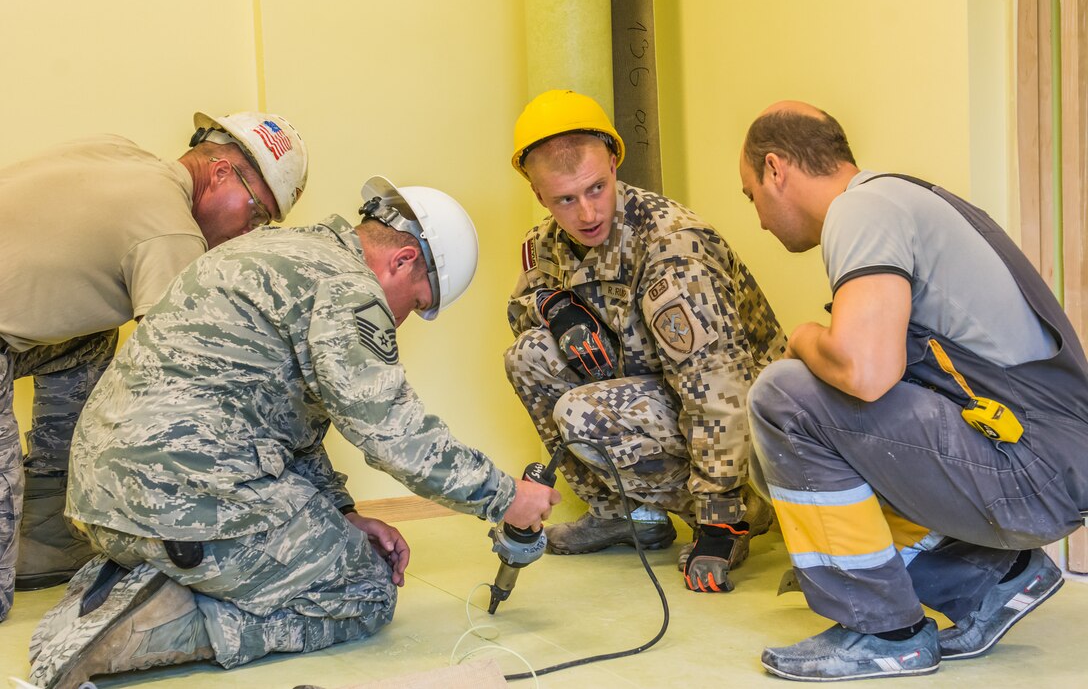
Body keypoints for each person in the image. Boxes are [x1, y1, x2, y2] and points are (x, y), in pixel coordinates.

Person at [26, 176, 561, 689]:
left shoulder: (278, 252)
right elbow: (392, 429)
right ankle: (148, 630)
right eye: (417, 304)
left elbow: (290, 426)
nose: (402, 321)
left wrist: (344, 513)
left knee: (334, 543)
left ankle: (130, 587)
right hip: (184, 500)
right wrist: (505, 497)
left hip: (105, 496)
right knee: (366, 589)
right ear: (403, 261)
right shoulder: (349, 289)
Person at [740, 101, 1088, 681]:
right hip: (1044, 462)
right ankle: (990, 580)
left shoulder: (864, 209)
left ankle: (885, 631)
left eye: (751, 194)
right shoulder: (903, 200)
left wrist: (802, 336)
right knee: (770, 452)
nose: (758, 219)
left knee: (784, 396)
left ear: (776, 168)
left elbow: (866, 372)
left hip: (1032, 469)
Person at [0, 111, 308, 621]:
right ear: (221, 173)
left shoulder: (119, 150)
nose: (247, 234)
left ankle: (44, 537)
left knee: (91, 338)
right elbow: (177, 376)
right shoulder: (169, 231)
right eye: (256, 215)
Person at [505, 89, 787, 593]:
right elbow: (523, 305)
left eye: (596, 188)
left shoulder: (672, 250)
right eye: (565, 199)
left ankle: (737, 514)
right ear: (538, 191)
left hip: (750, 434)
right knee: (528, 356)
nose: (586, 213)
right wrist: (555, 307)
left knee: (578, 411)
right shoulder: (546, 241)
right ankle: (624, 514)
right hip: (662, 393)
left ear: (615, 162)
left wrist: (720, 519)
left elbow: (721, 393)